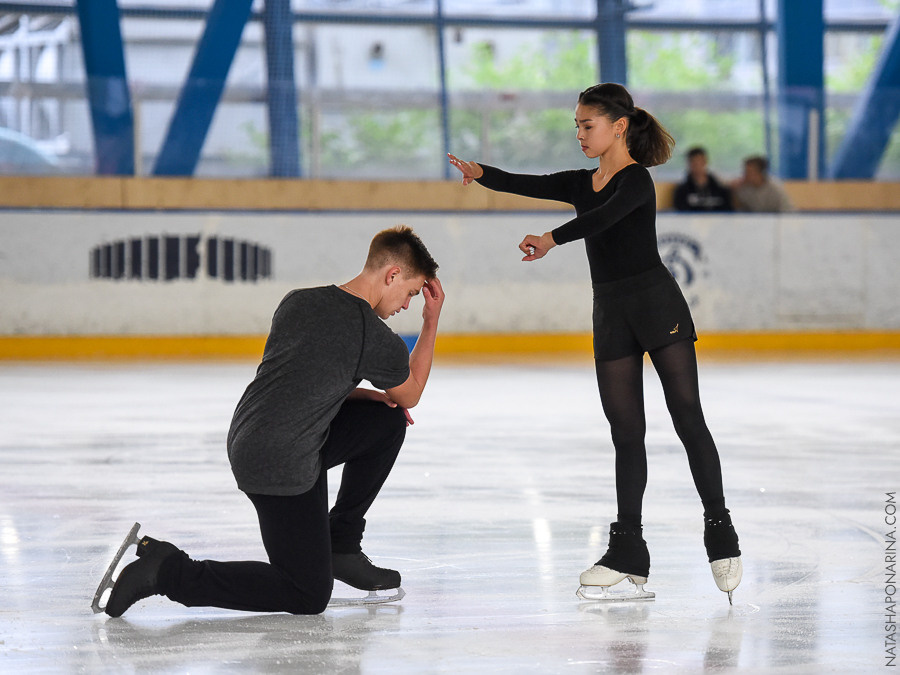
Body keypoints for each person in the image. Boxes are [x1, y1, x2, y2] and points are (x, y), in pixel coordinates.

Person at [448, 83, 742, 603]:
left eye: (588, 125)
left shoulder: (638, 182)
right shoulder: (583, 182)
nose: (580, 134)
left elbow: (601, 219)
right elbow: (532, 184)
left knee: (687, 416)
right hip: (611, 313)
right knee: (625, 433)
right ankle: (629, 549)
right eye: (577, 126)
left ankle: (720, 531)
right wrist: (482, 174)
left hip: (656, 305)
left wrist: (551, 239)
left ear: (618, 126)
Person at [99, 225, 444, 616]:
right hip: (281, 458)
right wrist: (431, 321)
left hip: (249, 434)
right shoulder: (372, 334)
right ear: (392, 275)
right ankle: (166, 571)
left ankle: (341, 546)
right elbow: (412, 392)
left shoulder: (299, 302)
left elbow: (302, 379)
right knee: (307, 594)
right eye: (412, 294)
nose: (407, 305)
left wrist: (373, 397)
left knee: (386, 421)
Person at [672, 146, 733, 212]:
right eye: (694, 163)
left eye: (700, 161)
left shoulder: (720, 190)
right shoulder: (682, 191)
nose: (698, 166)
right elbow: (680, 212)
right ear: (689, 164)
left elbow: (728, 211)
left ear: (705, 162)